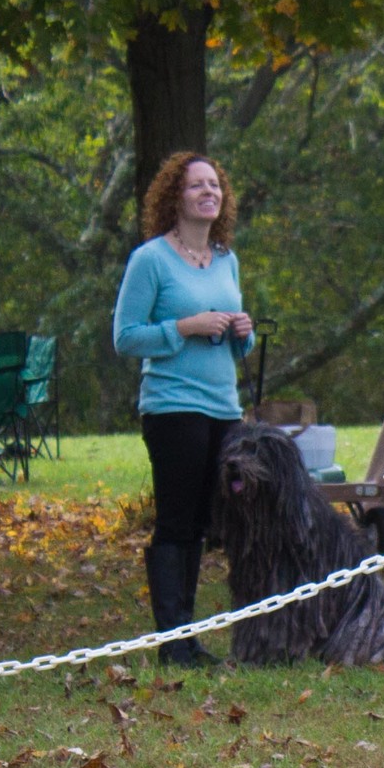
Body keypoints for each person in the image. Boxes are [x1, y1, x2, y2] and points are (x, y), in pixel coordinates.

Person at [114, 151, 255, 666]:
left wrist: (245, 332)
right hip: (173, 408)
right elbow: (125, 338)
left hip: (224, 407)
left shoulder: (226, 260)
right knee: (178, 522)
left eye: (214, 185)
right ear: (175, 196)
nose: (208, 193)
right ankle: (173, 642)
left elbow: (240, 346)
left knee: (211, 522)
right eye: (197, 186)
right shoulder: (150, 259)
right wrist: (185, 328)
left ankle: (191, 635)